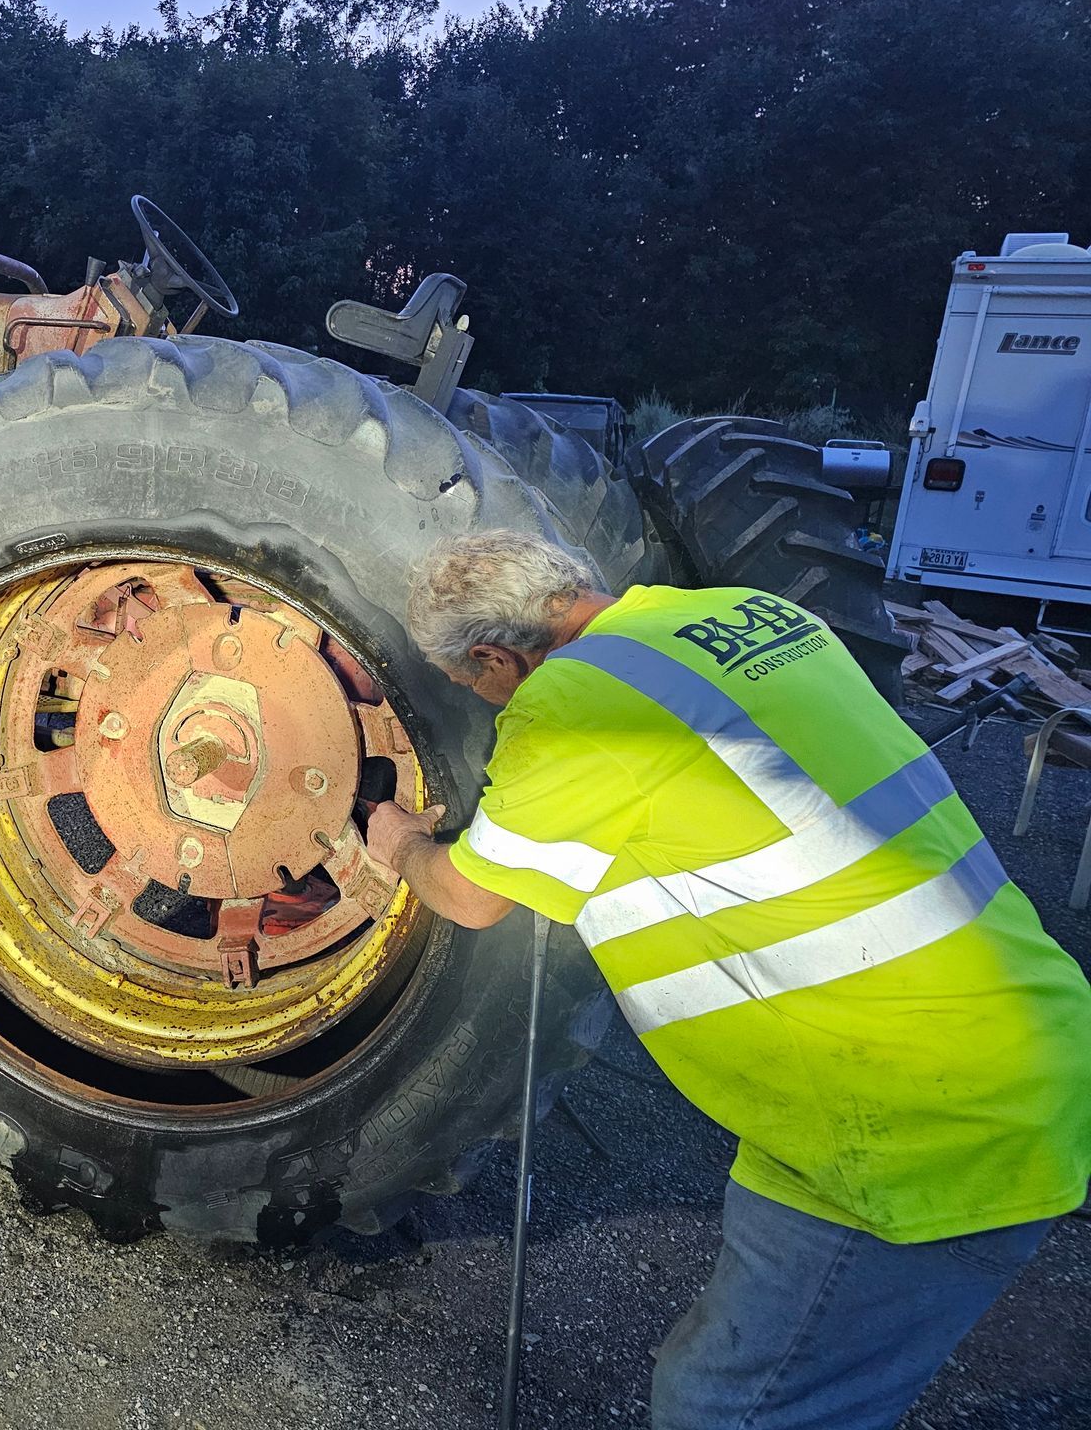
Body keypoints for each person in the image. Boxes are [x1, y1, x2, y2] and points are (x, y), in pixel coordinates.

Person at [363, 529, 1091, 1430]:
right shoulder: (748, 616)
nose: (483, 701)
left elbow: (470, 899)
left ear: (496, 656)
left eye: (473, 685)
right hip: (1003, 1029)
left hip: (913, 1118)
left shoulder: (576, 705)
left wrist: (397, 842)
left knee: (735, 1410)